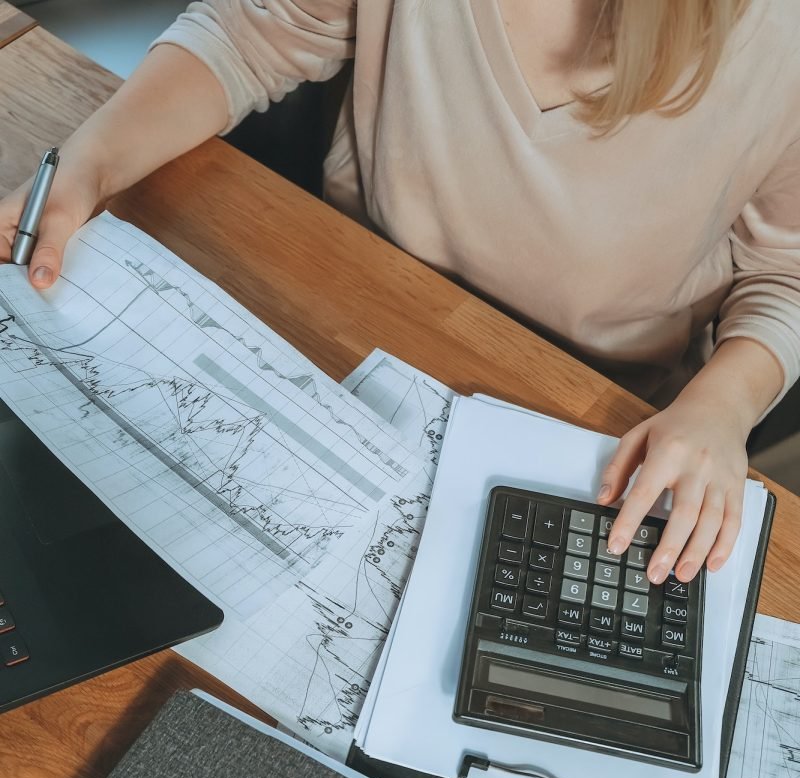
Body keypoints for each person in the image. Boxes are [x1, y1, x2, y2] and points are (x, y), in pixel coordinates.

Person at [1, 0, 798, 588]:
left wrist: (722, 408)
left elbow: (787, 274)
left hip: (586, 422)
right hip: (349, 324)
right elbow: (253, 33)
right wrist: (88, 165)